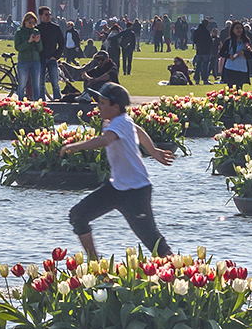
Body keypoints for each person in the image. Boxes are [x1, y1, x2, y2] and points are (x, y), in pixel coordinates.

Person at [55, 82, 176, 258]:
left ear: (116, 106)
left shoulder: (119, 122)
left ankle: (180, 269)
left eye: (103, 103)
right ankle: (95, 263)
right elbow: (137, 130)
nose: (98, 106)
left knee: (152, 240)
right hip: (117, 187)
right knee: (78, 215)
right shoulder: (116, 121)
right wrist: (153, 150)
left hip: (135, 190)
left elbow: (106, 140)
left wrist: (75, 146)